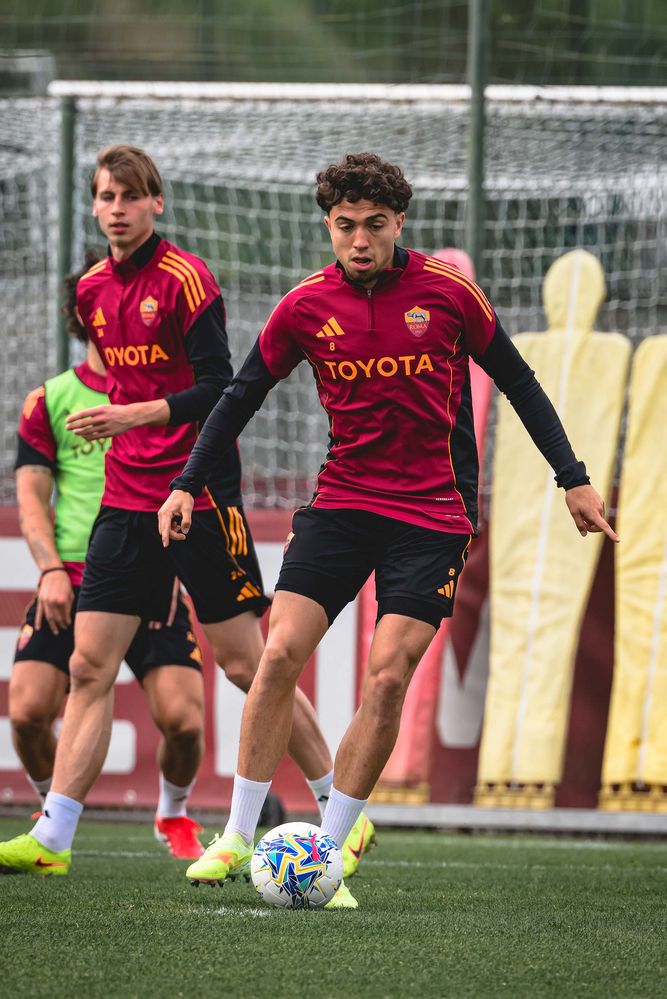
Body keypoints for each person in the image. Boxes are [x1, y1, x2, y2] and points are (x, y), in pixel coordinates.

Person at [154, 152, 618, 903]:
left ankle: (328, 854)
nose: (359, 239)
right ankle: (238, 834)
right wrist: (185, 483)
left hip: (431, 517)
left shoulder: (447, 293)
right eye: (345, 226)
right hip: (339, 506)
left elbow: (519, 380)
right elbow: (239, 396)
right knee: (276, 658)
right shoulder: (304, 306)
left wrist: (573, 479)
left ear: (398, 222)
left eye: (374, 225)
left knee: (388, 675)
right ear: (329, 226)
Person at [0, 146, 372, 905]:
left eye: (130, 197)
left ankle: (340, 801)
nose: (116, 209)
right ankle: (55, 835)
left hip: (200, 496)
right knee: (87, 669)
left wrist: (137, 415)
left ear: (156, 204)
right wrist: (127, 426)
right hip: (125, 501)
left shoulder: (186, 279)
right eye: (105, 197)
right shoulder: (94, 290)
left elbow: (220, 386)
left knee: (247, 665)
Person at [8, 254, 206, 860]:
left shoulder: (167, 398)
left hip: (151, 564)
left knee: (185, 721)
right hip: (72, 573)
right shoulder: (50, 401)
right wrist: (47, 572)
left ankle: (172, 813)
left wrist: (174, 568)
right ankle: (53, 816)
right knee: (27, 711)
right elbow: (32, 499)